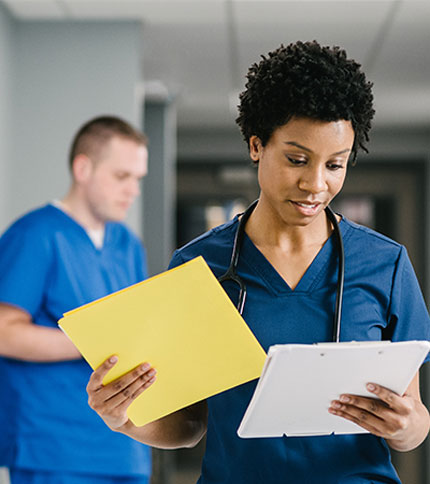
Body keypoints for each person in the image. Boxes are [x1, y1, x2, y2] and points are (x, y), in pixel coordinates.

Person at [86, 42, 430, 483]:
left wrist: (405, 427)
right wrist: (125, 419)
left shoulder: (385, 264)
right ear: (256, 145)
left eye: (336, 165)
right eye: (296, 159)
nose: (315, 184)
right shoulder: (199, 266)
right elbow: (191, 423)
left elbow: (414, 420)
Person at [0, 116, 153, 484]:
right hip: (55, 447)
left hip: (124, 448)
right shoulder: (36, 235)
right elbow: (5, 333)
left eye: (137, 179)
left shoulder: (127, 245)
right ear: (83, 168)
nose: (132, 190)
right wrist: (95, 341)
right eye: (121, 177)